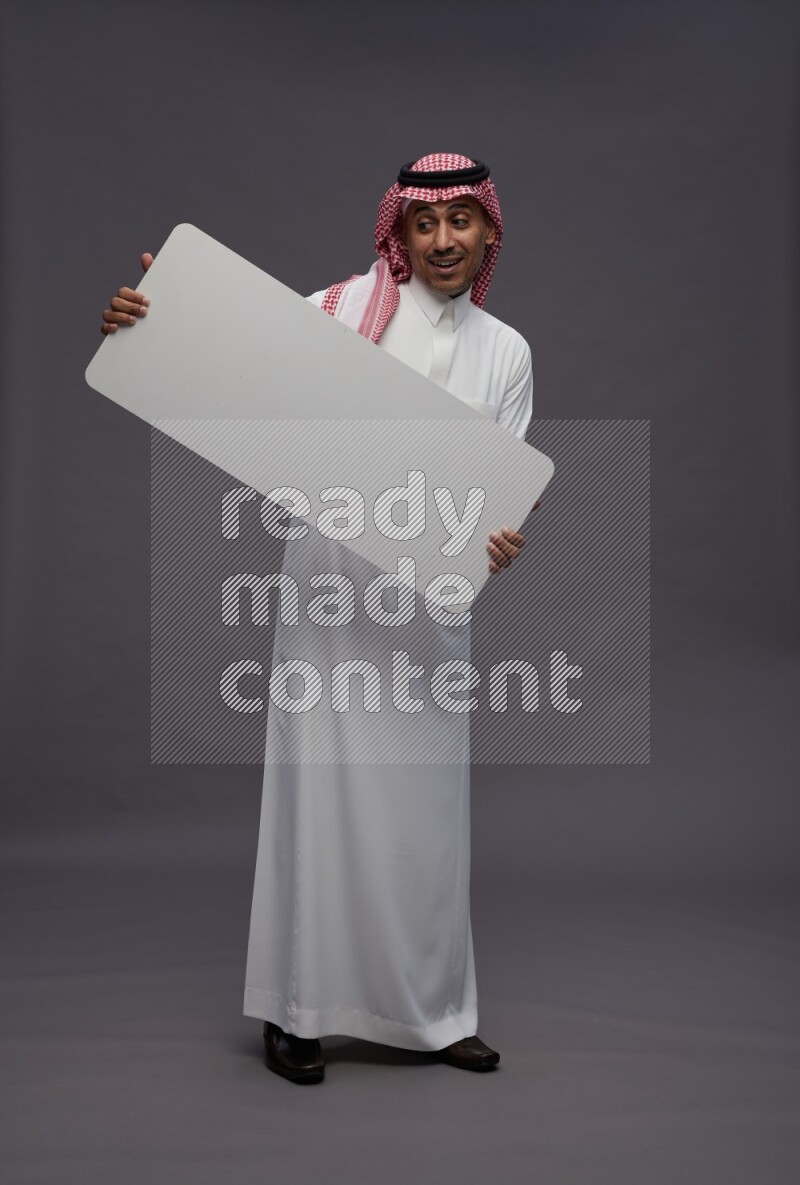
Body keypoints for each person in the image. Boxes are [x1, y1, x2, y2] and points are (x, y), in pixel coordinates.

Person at [101, 152, 538, 1085]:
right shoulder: (343, 312)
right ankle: (299, 1012)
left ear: (489, 232)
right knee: (320, 801)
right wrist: (152, 320)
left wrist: (500, 539)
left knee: (427, 821)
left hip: (427, 617)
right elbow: (233, 359)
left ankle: (436, 1013)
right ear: (400, 233)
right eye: (426, 223)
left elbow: (498, 493)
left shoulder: (509, 353)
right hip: (330, 598)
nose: (444, 239)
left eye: (462, 221)